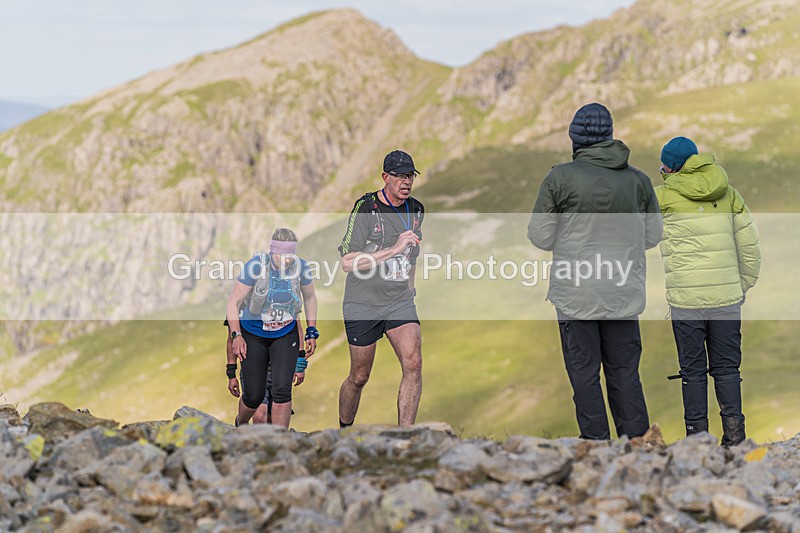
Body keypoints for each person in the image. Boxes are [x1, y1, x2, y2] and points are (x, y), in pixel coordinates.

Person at [528, 102, 662, 440]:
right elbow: (653, 235)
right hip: (622, 291)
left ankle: (597, 447)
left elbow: (540, 235)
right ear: (610, 136)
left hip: (575, 294)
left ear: (574, 138)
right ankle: (638, 445)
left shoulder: (559, 177)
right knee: (625, 372)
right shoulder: (638, 180)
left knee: (584, 373)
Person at [656, 136, 760, 447]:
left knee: (692, 372)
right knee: (728, 369)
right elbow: (750, 246)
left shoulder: (661, 196)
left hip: (685, 302)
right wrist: (742, 285)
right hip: (727, 299)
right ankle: (735, 439)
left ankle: (697, 443)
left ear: (672, 168)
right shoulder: (728, 193)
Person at [337, 149, 424, 428]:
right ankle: (344, 431)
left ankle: (405, 437)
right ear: (385, 177)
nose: (406, 181)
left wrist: (410, 286)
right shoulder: (366, 208)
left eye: (410, 175)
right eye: (399, 175)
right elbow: (348, 263)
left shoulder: (417, 209)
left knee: (413, 363)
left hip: (398, 300)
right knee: (359, 377)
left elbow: (412, 252)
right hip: (362, 301)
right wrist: (393, 249)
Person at [225, 228, 318, 428]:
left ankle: (279, 441)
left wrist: (312, 330)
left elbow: (309, 297)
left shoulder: (301, 267)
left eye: (289, 256)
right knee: (254, 394)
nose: (285, 261)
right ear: (272, 251)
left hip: (285, 333)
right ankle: (241, 422)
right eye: (280, 256)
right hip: (254, 333)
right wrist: (236, 335)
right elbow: (233, 302)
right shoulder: (256, 266)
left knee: (282, 390)